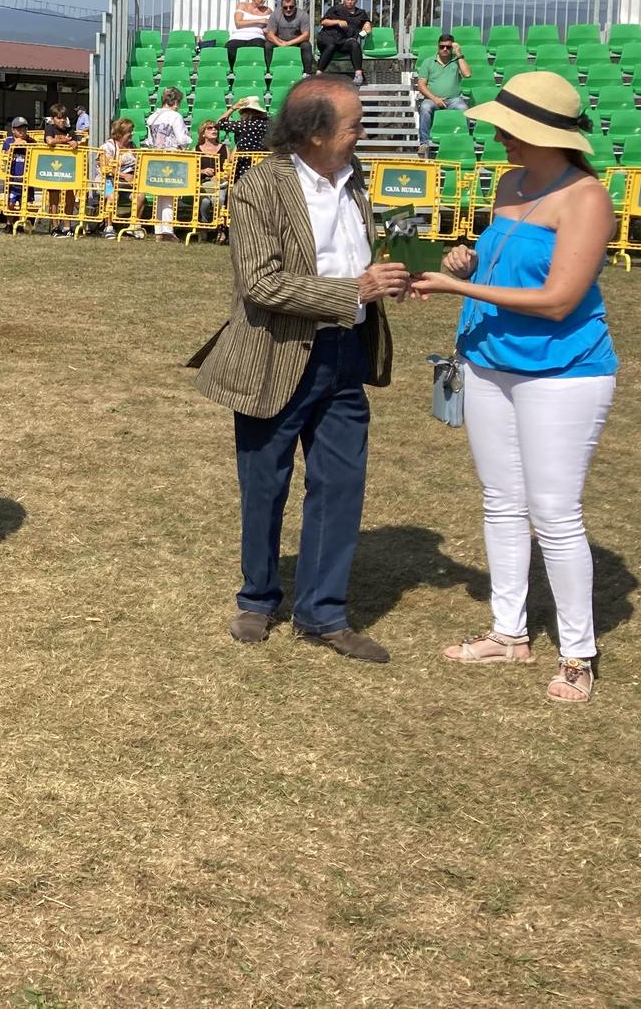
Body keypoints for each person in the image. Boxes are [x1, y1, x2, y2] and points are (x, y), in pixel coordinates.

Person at [409, 71, 618, 704]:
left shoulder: (585, 199)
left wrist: (459, 289)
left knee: (554, 513)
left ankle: (578, 652)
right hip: (488, 362)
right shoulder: (509, 184)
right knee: (502, 499)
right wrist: (465, 261)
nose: (498, 135)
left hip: (562, 372)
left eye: (507, 127)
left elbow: (557, 301)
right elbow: (506, 256)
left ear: (541, 133)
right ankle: (508, 632)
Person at [189, 76, 408, 663]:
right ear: (314, 133)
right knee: (265, 484)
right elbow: (260, 284)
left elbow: (352, 257)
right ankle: (258, 599)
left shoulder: (354, 179)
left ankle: (324, 613)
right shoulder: (261, 186)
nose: (363, 135)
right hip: (275, 355)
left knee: (340, 485)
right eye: (354, 125)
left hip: (347, 353)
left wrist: (385, 281)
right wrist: (353, 290)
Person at [413, 31, 473, 154]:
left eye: (448, 47)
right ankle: (424, 142)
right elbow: (421, 85)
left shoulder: (457, 61)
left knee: (464, 110)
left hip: (453, 99)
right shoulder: (428, 62)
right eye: (442, 46)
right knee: (425, 107)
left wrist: (459, 54)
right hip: (432, 99)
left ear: (452, 47)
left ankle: (464, 140)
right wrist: (435, 99)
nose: (445, 49)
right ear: (438, 47)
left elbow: (467, 74)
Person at [144, 86, 192, 239]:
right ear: (176, 101)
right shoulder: (175, 116)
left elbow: (150, 141)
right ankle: (168, 230)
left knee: (159, 194)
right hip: (172, 158)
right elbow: (182, 140)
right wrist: (189, 139)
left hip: (156, 158)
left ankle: (159, 229)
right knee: (170, 194)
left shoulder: (152, 117)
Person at [318, 0, 371, 82]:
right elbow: (324, 22)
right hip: (328, 38)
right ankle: (318, 74)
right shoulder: (336, 9)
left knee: (354, 44)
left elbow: (366, 25)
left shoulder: (360, 13)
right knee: (331, 45)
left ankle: (358, 75)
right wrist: (337, 22)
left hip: (343, 42)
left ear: (356, 0)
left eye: (352, 0)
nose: (350, 2)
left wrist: (366, 29)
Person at [91, 117, 133, 237]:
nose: (132, 134)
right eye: (129, 131)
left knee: (140, 196)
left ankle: (133, 226)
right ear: (120, 133)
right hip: (106, 180)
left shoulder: (132, 146)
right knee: (112, 195)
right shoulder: (107, 147)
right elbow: (105, 168)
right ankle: (108, 227)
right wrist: (124, 175)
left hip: (125, 181)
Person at [42, 104, 78, 236]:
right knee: (54, 199)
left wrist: (69, 141)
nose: (62, 120)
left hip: (68, 169)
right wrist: (65, 141)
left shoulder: (70, 130)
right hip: (52, 169)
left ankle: (67, 227)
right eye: (59, 118)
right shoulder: (49, 128)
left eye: (64, 118)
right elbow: (50, 141)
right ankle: (55, 227)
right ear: (53, 119)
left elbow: (74, 143)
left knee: (70, 197)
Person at [265, 0, 316, 74]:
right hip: (280, 41)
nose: (288, 9)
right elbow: (270, 34)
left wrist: (288, 43)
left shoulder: (302, 15)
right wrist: (280, 43)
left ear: (295, 6)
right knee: (268, 45)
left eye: (291, 7)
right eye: (285, 7)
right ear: (281, 7)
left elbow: (306, 35)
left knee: (306, 45)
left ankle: (307, 73)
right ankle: (270, 73)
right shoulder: (275, 15)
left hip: (297, 42)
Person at [195, 119, 229, 242]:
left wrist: (220, 175)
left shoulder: (224, 148)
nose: (214, 130)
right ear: (203, 133)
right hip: (204, 182)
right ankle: (214, 229)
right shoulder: (197, 149)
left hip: (221, 183)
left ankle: (216, 229)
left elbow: (229, 168)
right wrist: (202, 171)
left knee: (214, 199)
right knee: (206, 201)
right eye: (210, 128)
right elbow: (191, 169)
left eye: (215, 128)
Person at [227, 0, 271, 70]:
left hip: (257, 37)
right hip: (238, 37)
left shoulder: (267, 10)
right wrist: (259, 20)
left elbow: (271, 26)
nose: (264, 0)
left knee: (258, 48)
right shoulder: (242, 5)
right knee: (230, 48)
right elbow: (238, 23)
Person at [2, 116, 31, 210]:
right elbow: (3, 155)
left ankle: (22, 222)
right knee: (10, 202)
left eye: (25, 129)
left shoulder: (31, 141)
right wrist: (14, 145)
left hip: (26, 179)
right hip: (12, 178)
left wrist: (27, 146)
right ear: (13, 130)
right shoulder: (8, 141)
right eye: (19, 129)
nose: (23, 131)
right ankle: (9, 223)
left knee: (24, 204)